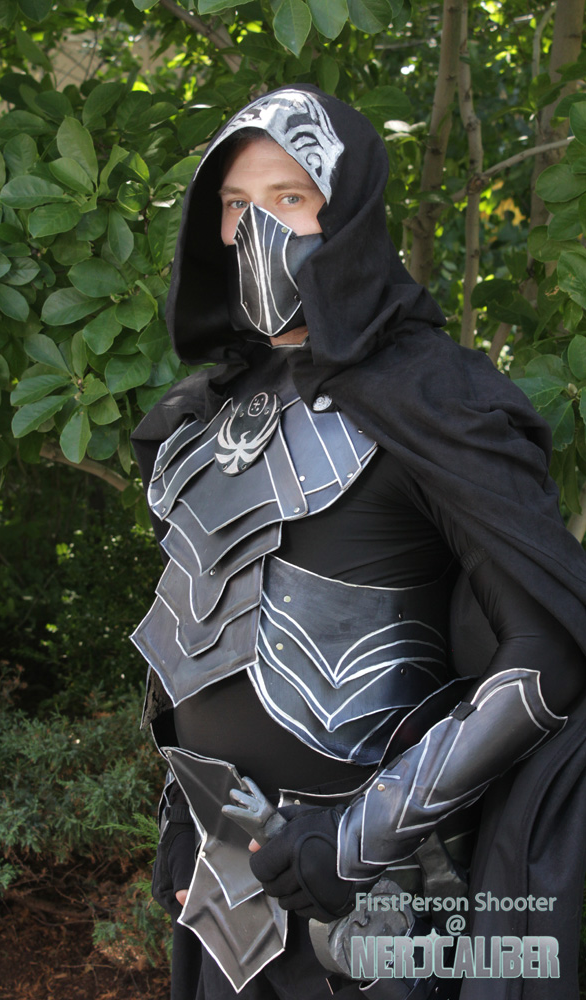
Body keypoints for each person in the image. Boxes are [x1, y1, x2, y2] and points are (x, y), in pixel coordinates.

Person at [130, 86, 586, 1000]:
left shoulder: (434, 398)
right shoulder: (205, 418)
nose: (259, 229)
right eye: (236, 204)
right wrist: (186, 818)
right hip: (226, 883)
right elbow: (202, 634)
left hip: (388, 899)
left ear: (350, 214)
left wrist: (353, 840)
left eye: (290, 198)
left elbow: (547, 651)